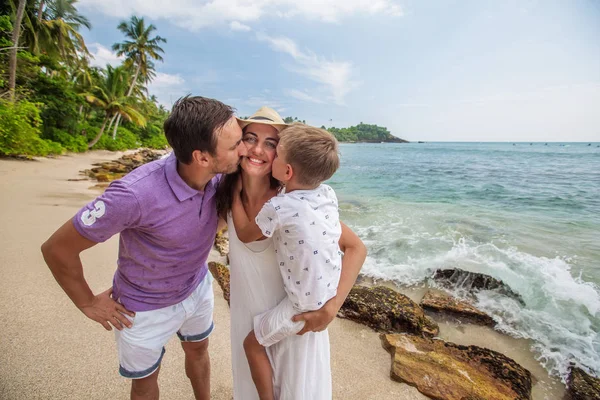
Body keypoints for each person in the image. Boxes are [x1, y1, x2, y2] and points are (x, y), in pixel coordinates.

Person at [41, 96, 247, 400]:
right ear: (202, 157)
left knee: (199, 350)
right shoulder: (133, 195)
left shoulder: (221, 176)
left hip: (196, 288)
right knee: (145, 381)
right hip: (142, 308)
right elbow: (56, 249)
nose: (243, 151)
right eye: (235, 146)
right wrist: (86, 302)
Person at [216, 107, 367, 400]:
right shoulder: (224, 197)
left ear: (284, 161)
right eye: (249, 138)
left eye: (271, 143)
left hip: (294, 321)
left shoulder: (293, 204)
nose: (258, 149)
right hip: (248, 315)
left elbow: (356, 247)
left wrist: (332, 306)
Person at [232, 123, 342, 400]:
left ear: (287, 171)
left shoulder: (280, 207)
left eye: (275, 149)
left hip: (299, 307)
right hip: (325, 294)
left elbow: (246, 234)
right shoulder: (327, 195)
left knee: (252, 344)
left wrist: (232, 194)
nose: (267, 154)